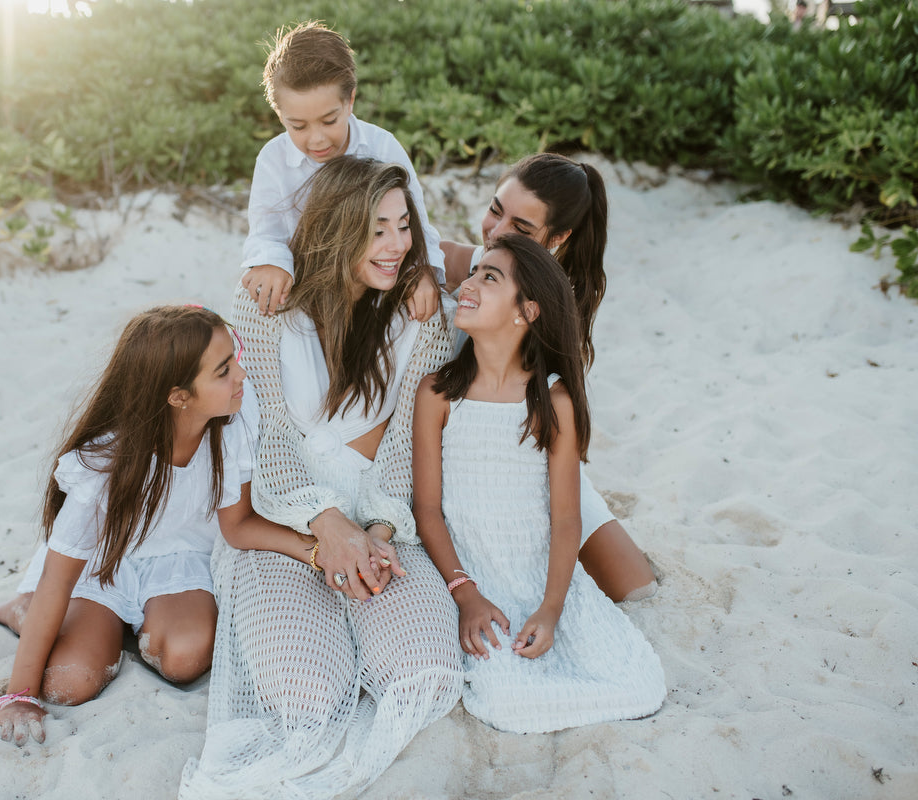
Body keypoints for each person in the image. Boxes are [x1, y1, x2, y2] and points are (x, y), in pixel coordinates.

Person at [179, 156, 462, 800]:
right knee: (308, 694)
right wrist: (326, 525)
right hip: (284, 522)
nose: (396, 247)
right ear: (337, 232)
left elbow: (405, 443)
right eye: (377, 231)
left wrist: (382, 529)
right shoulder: (267, 305)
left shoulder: (420, 316)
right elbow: (270, 433)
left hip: (384, 516)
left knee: (424, 670)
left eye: (403, 227)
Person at [414, 234, 665, 733]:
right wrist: (466, 594)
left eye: (490, 277)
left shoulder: (553, 402)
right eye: (473, 272)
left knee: (638, 684)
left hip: (543, 578)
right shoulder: (438, 392)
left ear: (526, 311)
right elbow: (427, 510)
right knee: (506, 701)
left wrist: (552, 607)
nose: (468, 283)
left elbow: (566, 518)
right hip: (471, 577)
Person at [0, 305, 258, 747]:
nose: (242, 375)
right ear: (178, 396)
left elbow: (239, 523)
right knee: (69, 684)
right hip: (101, 568)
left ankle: (130, 627)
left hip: (177, 562)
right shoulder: (105, 468)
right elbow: (60, 579)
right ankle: (21, 607)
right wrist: (20, 694)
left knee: (186, 658)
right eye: (225, 370)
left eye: (235, 359)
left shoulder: (231, 425)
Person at [441, 153, 657, 603]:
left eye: (522, 228)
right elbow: (412, 255)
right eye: (496, 210)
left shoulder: (552, 302)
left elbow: (556, 420)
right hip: (467, 456)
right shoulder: (467, 264)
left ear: (558, 238)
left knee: (637, 588)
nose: (498, 232)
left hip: (532, 459)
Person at [240, 20, 444, 322]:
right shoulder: (273, 159)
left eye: (329, 120)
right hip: (308, 293)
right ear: (279, 114)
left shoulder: (382, 147)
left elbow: (416, 226)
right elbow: (265, 234)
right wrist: (271, 262)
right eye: (298, 126)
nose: (317, 139)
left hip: (376, 291)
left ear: (350, 100)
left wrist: (421, 271)